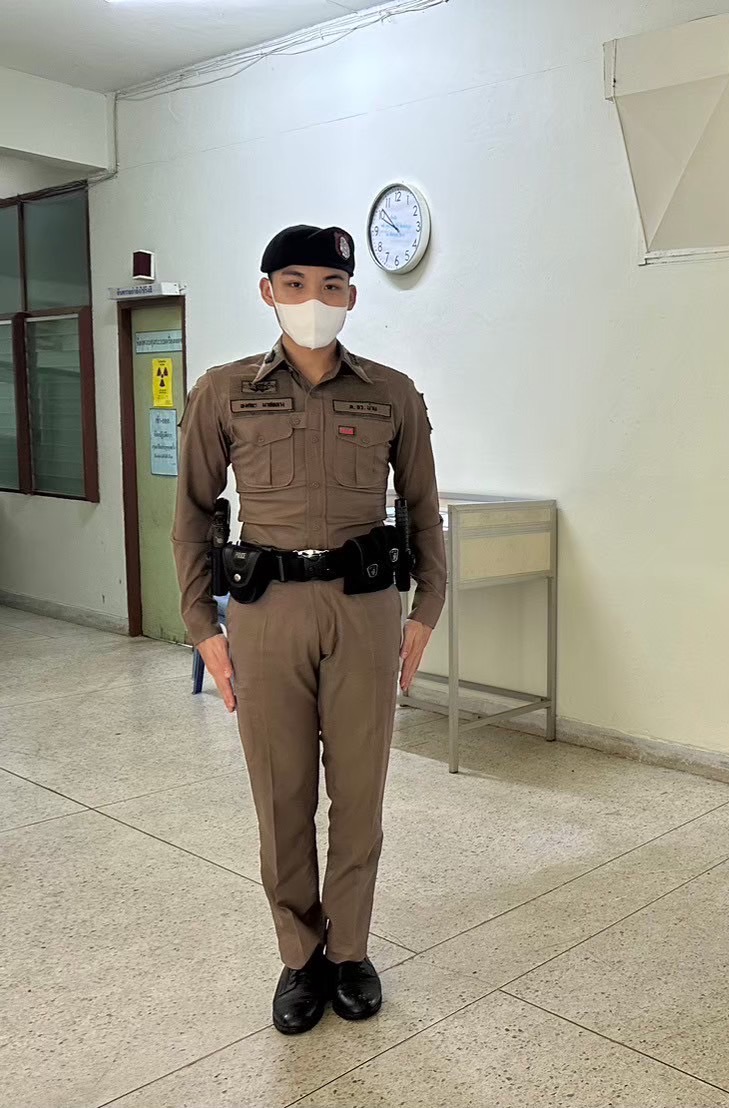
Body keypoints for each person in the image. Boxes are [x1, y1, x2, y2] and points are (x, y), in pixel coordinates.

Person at [172, 225, 446, 1035]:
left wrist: (426, 609)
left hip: (364, 611)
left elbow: (423, 509)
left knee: (359, 795)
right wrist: (201, 623)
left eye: (330, 286)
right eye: (294, 284)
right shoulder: (224, 392)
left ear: (351, 296)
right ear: (268, 291)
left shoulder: (392, 393)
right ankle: (300, 957)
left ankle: (350, 951)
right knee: (281, 794)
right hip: (267, 613)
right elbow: (192, 514)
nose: (312, 301)